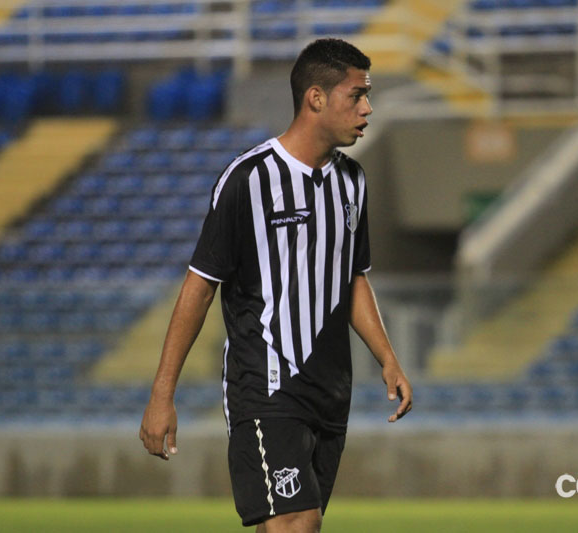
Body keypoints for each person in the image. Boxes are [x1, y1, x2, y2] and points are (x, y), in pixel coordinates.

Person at [139, 38, 413, 532]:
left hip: (331, 391)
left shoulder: (353, 181)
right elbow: (199, 288)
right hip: (266, 386)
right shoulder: (248, 180)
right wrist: (163, 393)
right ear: (315, 98)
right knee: (295, 523)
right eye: (357, 95)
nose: (367, 108)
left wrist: (387, 358)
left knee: (292, 526)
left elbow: (352, 277)